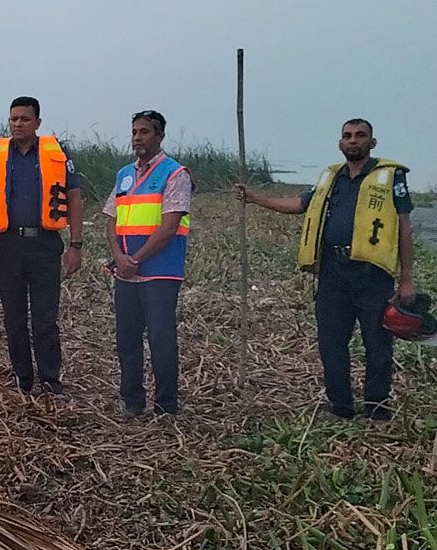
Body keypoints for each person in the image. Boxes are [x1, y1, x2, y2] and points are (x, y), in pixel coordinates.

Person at [237, 118, 416, 420]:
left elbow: (403, 226)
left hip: (372, 274)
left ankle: (377, 408)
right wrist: (255, 198)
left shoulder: (390, 177)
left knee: (378, 344)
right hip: (333, 271)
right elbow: (300, 204)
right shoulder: (330, 177)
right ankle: (341, 406)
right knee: (331, 343)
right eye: (347, 136)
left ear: (372, 143)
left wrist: (407, 279)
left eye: (360, 136)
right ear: (340, 143)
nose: (353, 140)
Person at [0, 96, 84, 396]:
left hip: (45, 246)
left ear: (38, 123)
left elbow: (73, 197)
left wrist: (76, 244)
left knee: (45, 319)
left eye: (24, 119)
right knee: (14, 318)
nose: (17, 124)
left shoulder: (56, 153)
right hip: (8, 246)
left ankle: (50, 379)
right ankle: (23, 378)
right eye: (13, 119)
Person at [102, 110, 194, 416]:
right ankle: (132, 401)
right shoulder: (124, 174)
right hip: (126, 273)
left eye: (144, 132)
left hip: (160, 272)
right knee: (127, 340)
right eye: (134, 132)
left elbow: (169, 226)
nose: (137, 138)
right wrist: (118, 257)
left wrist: (136, 259)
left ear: (159, 136)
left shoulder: (175, 174)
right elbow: (111, 218)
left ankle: (166, 405)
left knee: (160, 340)